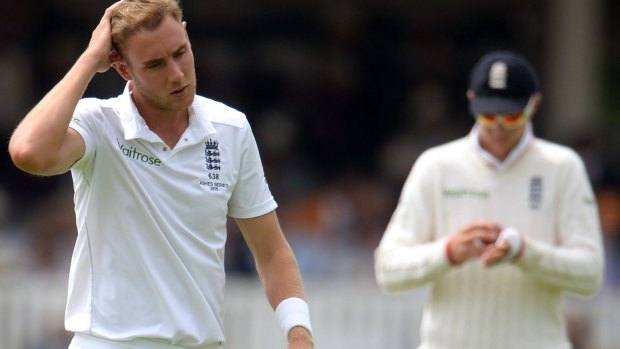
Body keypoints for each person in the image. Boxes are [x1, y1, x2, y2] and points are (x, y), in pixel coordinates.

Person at [8, 1, 313, 348]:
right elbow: (29, 152)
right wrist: (90, 60)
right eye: (154, 65)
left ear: (186, 31)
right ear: (122, 68)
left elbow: (271, 251)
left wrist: (299, 331)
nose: (177, 74)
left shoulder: (231, 128)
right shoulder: (97, 123)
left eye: (180, 53)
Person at [374, 50, 604, 349]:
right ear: (471, 101)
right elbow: (388, 270)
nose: (497, 127)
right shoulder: (436, 166)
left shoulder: (562, 167)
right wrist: (450, 252)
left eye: (510, 116)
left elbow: (589, 275)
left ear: (534, 104)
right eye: (487, 114)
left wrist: (524, 253)